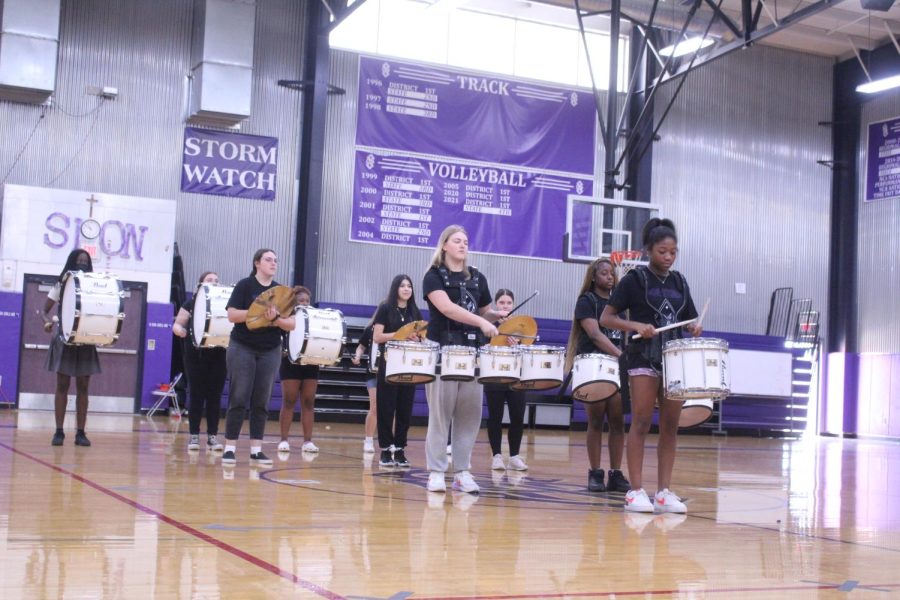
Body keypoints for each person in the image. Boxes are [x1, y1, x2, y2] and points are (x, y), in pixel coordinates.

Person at [600, 219, 701, 514]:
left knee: (670, 426)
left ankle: (663, 491)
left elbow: (690, 318)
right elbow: (607, 317)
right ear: (648, 251)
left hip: (674, 359)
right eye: (662, 252)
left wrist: (694, 328)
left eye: (672, 252)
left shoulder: (680, 282)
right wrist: (635, 325)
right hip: (643, 356)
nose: (668, 257)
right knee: (641, 422)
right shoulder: (634, 280)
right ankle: (635, 491)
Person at [422, 225, 505, 494]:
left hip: (472, 352)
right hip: (443, 349)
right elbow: (446, 308)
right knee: (440, 413)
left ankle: (462, 472)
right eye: (457, 241)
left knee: (469, 414)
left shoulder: (478, 277)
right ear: (444, 245)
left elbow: (484, 311)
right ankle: (436, 471)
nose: (462, 245)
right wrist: (482, 321)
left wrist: (495, 316)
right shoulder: (433, 276)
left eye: (466, 241)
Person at [222, 249, 295, 466]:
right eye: (268, 260)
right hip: (242, 346)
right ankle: (229, 448)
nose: (273, 263)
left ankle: (256, 450)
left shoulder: (282, 292)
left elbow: (291, 323)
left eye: (275, 260)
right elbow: (232, 315)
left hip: (270, 349)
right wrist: (257, 311)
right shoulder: (245, 285)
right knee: (239, 396)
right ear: (257, 263)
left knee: (261, 400)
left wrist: (277, 317)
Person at [565, 258, 630, 493]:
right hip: (594, 365)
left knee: (618, 423)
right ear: (594, 276)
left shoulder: (619, 306)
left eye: (612, 273)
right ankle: (595, 473)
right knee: (595, 421)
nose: (610, 277)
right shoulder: (587, 301)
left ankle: (615, 473)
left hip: (615, 366)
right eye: (604, 273)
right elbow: (594, 334)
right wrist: (620, 354)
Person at [41, 249, 100, 447]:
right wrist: (46, 322)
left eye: (85, 260)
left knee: (83, 388)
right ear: (72, 262)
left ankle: (80, 433)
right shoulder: (62, 284)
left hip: (85, 340)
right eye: (79, 260)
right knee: (62, 386)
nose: (82, 262)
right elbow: (44, 310)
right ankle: (59, 432)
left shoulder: (94, 286)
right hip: (64, 339)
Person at [371, 274, 424, 468]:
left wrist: (417, 339)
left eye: (409, 286)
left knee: (405, 409)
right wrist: (400, 335)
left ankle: (400, 449)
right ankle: (386, 450)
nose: (406, 289)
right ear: (396, 289)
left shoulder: (415, 311)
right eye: (402, 286)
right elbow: (377, 337)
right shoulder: (385, 308)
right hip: (389, 363)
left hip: (409, 365)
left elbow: (421, 336)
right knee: (386, 408)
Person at [172, 271, 227, 452]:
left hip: (218, 353)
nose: (214, 283)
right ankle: (194, 435)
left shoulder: (225, 305)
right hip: (195, 355)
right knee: (196, 394)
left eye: (216, 281)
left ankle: (212, 436)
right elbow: (177, 325)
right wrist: (181, 331)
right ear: (200, 283)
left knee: (214, 396)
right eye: (209, 280)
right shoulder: (191, 303)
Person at [484, 289, 528, 472]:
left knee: (517, 416)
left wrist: (518, 344)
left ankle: (515, 456)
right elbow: (482, 347)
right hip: (494, 376)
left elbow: (528, 349)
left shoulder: (521, 326)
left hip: (516, 377)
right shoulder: (487, 325)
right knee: (495, 416)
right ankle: (496, 456)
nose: (505, 306)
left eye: (508, 303)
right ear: (495, 305)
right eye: (501, 303)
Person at [277, 286, 321, 454]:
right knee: (289, 400)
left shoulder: (314, 318)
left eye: (307, 301)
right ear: (293, 303)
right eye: (300, 301)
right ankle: (283, 440)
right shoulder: (286, 318)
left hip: (311, 362)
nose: (304, 303)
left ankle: (308, 441)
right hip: (290, 362)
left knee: (309, 402)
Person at [351, 317, 378, 453]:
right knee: (374, 406)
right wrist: (357, 356)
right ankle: (368, 440)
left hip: (391, 372)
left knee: (391, 409)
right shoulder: (370, 329)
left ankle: (391, 442)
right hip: (373, 372)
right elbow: (361, 346)